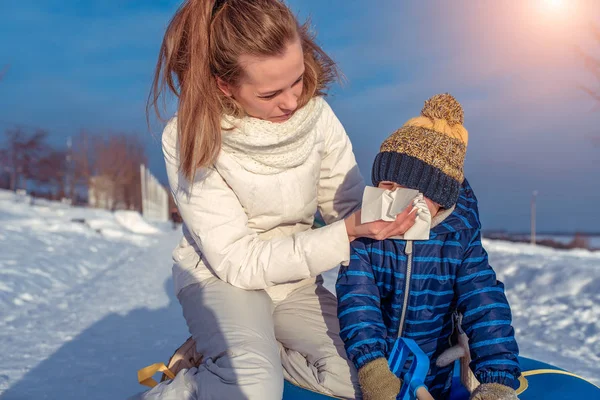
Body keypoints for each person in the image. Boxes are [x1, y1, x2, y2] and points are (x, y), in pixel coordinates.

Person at [132, 1, 417, 399]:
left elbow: (348, 207)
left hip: (293, 281)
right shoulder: (191, 135)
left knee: (362, 376)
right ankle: (192, 383)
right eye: (270, 92)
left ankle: (230, 352)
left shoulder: (316, 115)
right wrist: (345, 233)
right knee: (255, 387)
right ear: (224, 85)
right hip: (223, 279)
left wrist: (401, 208)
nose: (291, 101)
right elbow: (237, 261)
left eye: (298, 80)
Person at [336, 94, 521, 400]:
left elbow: (485, 304)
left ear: (438, 196)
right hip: (375, 373)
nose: (393, 198)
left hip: (432, 375)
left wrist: (498, 379)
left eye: (404, 189)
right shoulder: (368, 236)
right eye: (386, 187)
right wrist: (372, 367)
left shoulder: (458, 241)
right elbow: (358, 303)